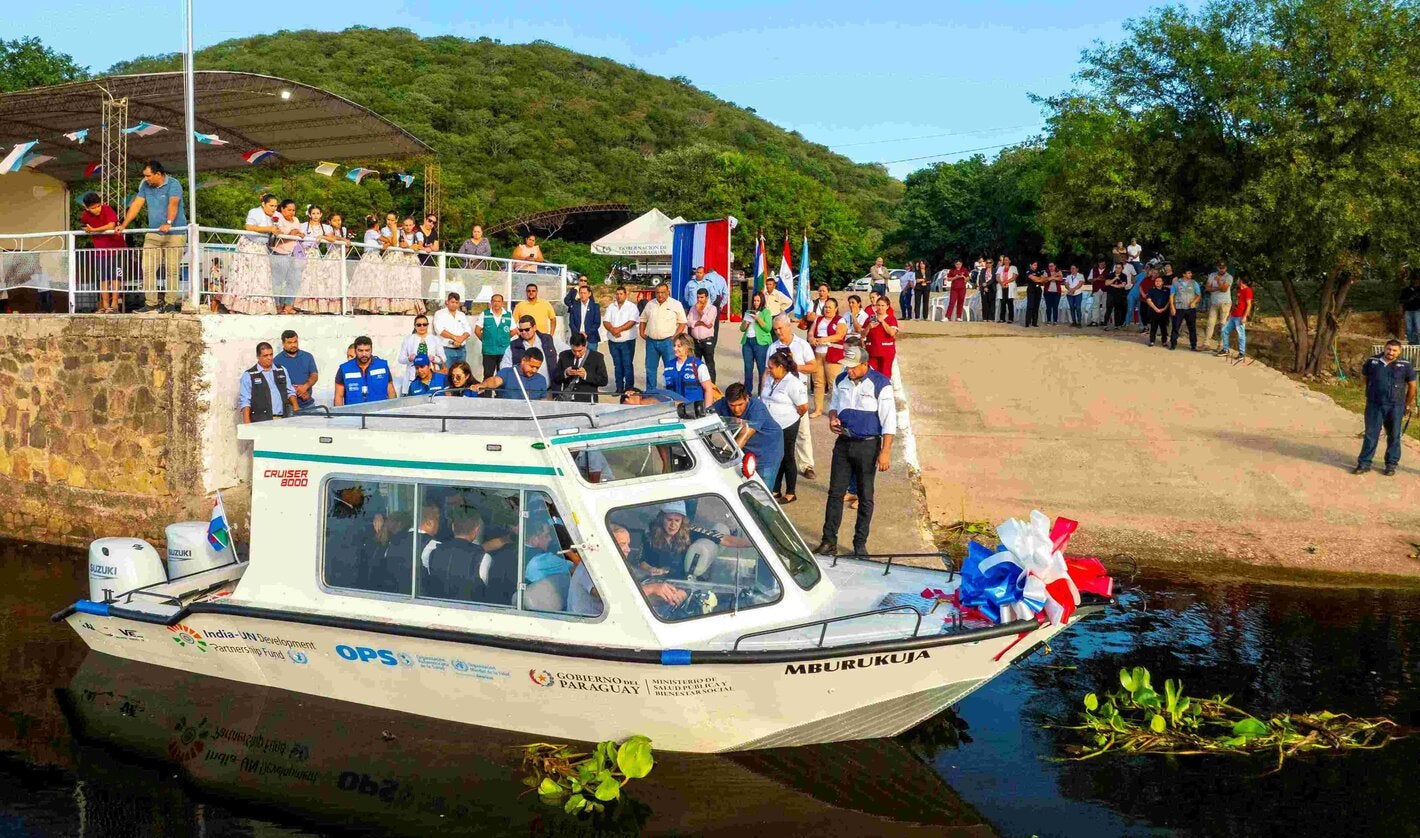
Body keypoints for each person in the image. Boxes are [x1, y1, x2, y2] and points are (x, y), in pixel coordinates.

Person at [816, 345, 896, 557]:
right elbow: (833, 405)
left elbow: (889, 421)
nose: (848, 370)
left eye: (852, 367)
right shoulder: (841, 380)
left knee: (865, 496)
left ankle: (859, 544)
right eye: (847, 366)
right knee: (835, 493)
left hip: (868, 446)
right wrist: (832, 418)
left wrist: (885, 451)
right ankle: (828, 540)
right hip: (843, 443)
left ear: (864, 364)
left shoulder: (881, 384)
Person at [116, 160, 185, 313]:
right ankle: (151, 304)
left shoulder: (174, 184)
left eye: (148, 176)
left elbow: (173, 204)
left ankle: (170, 304)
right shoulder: (145, 186)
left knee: (172, 269)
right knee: (147, 268)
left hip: (174, 234)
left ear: (158, 174)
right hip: (153, 233)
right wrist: (124, 224)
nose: (146, 179)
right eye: (145, 176)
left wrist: (168, 222)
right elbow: (136, 205)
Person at [1354, 340, 1416, 477]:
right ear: (1384, 348)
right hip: (1375, 405)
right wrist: (1368, 393)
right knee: (1371, 435)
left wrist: (1407, 404)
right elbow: (1364, 378)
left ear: (1399, 351)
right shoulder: (1372, 361)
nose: (1391, 353)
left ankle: (1391, 464)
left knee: (1394, 435)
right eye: (1389, 349)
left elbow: (1412, 386)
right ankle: (1364, 463)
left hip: (1396, 406)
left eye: (1394, 350)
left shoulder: (1405, 365)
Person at [769, 313, 819, 479]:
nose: (778, 332)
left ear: (788, 326)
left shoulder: (802, 345)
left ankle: (807, 465)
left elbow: (813, 367)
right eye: (775, 329)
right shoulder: (773, 347)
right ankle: (779, 463)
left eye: (780, 328)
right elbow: (766, 371)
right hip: (779, 394)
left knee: (803, 431)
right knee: (779, 431)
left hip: (797, 391)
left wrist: (795, 367)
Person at [711, 382, 784, 490]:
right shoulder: (722, 404)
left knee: (762, 493)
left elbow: (745, 434)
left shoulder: (757, 407)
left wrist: (728, 459)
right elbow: (705, 416)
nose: (736, 409)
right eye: (732, 405)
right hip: (747, 451)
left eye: (740, 404)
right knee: (745, 490)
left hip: (768, 453)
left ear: (747, 398)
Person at [762, 350, 809, 503]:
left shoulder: (793, 383)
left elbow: (803, 407)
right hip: (772, 426)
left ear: (781, 367)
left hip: (787, 424)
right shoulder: (770, 379)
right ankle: (775, 489)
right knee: (775, 456)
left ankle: (790, 492)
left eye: (771, 367)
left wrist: (791, 417)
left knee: (787, 456)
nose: (769, 369)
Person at [424, 506, 488, 602]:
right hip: (470, 614)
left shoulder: (432, 552)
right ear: (477, 529)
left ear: (453, 527)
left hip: (438, 612)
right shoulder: (483, 558)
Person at [78, 192, 126, 314]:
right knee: (103, 278)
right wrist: (86, 229)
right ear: (86, 208)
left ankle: (114, 305)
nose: (97, 209)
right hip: (100, 251)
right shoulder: (85, 215)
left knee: (116, 276)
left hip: (116, 248)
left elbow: (111, 225)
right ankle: (105, 306)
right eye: (93, 208)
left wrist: (94, 230)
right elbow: (83, 226)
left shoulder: (107, 209)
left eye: (98, 206)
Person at [639, 281, 687, 390]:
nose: (660, 295)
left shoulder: (675, 304)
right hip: (651, 342)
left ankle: (671, 392)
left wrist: (675, 336)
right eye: (658, 292)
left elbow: (682, 322)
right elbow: (643, 319)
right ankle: (651, 391)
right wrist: (642, 332)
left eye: (663, 292)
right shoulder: (650, 304)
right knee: (650, 369)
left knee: (670, 368)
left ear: (668, 292)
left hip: (668, 343)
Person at [239, 342, 298, 423]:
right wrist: (247, 425)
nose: (269, 358)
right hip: (261, 421)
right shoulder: (249, 375)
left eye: (271, 354)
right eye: (265, 356)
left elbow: (290, 392)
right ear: (258, 357)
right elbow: (245, 401)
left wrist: (296, 411)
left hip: (283, 419)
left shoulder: (281, 370)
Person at [808, 298, 847, 418]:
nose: (827, 309)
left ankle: (838, 410)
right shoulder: (818, 319)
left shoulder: (840, 320)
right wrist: (812, 339)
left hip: (833, 354)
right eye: (825, 307)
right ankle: (818, 409)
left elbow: (839, 335)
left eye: (830, 307)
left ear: (836, 308)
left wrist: (823, 340)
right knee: (818, 382)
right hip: (818, 354)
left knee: (833, 384)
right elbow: (810, 333)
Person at [499, 315, 563, 389]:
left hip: (549, 391)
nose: (523, 332)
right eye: (521, 330)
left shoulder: (549, 340)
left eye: (526, 329)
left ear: (534, 327)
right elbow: (504, 368)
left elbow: (568, 352)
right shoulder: (513, 346)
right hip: (523, 392)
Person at [334, 336, 396, 406]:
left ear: (371, 350)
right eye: (360, 350)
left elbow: (391, 391)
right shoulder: (344, 369)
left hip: (379, 412)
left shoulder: (382, 366)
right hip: (354, 413)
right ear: (355, 350)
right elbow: (338, 396)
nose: (364, 354)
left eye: (367, 350)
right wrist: (339, 416)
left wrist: (393, 411)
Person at [268, 199, 305, 315]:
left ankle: (288, 305)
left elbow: (299, 233)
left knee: (294, 280)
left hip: (292, 254)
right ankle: (278, 305)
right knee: (278, 281)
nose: (292, 212)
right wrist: (291, 234)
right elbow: (277, 235)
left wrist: (300, 234)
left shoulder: (296, 220)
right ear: (282, 209)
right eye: (289, 210)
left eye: (294, 210)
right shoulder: (277, 217)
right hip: (279, 253)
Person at [602, 285, 640, 392]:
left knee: (627, 365)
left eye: (621, 294)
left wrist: (618, 329)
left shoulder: (631, 306)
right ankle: (619, 387)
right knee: (617, 365)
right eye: (617, 294)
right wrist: (612, 330)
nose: (619, 296)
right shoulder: (611, 306)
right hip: (613, 341)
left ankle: (629, 388)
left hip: (627, 341)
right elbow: (606, 321)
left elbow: (632, 322)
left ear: (625, 295)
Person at [662, 333, 714, 409]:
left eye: (679, 346)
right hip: (673, 410)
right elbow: (665, 391)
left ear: (687, 347)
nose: (675, 349)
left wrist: (707, 410)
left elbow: (708, 389)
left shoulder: (698, 366)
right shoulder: (669, 365)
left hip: (694, 411)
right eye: (674, 346)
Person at [396, 314, 446, 392]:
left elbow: (443, 358)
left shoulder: (435, 339)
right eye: (419, 325)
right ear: (415, 326)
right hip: (412, 376)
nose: (422, 327)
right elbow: (400, 359)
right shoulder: (408, 339)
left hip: (431, 376)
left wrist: (434, 358)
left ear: (427, 325)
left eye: (424, 324)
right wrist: (409, 358)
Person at [477, 348, 550, 400]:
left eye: (537, 368)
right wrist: (483, 385)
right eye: (532, 366)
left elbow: (542, 402)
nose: (534, 370)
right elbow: (495, 381)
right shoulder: (507, 373)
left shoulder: (541, 380)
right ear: (523, 361)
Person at [272, 329, 318, 410]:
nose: (293, 345)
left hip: (308, 403)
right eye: (289, 343)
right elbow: (276, 383)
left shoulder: (307, 356)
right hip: (288, 407)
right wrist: (296, 390)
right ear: (283, 343)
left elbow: (314, 375)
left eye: (295, 342)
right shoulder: (277, 361)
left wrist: (305, 387)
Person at [555, 333, 608, 402]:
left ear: (585, 346)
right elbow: (556, 378)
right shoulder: (564, 355)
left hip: (587, 400)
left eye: (580, 351)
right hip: (567, 400)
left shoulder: (597, 358)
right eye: (574, 351)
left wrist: (586, 375)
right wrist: (566, 373)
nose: (577, 354)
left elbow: (604, 381)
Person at [740, 290, 774, 394]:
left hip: (761, 343)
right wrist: (746, 322)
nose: (755, 303)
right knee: (748, 368)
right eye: (754, 301)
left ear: (762, 301)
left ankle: (761, 392)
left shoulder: (766, 312)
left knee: (761, 368)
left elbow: (768, 328)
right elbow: (742, 329)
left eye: (758, 301)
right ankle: (747, 392)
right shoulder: (748, 312)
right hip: (747, 342)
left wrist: (758, 319)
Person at [474, 293, 514, 379]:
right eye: (494, 301)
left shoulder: (508, 315)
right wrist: (485, 340)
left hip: (503, 351)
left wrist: (504, 338)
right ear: (491, 302)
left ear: (502, 303)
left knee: (503, 376)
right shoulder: (485, 314)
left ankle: (501, 393)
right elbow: (477, 330)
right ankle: (487, 393)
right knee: (488, 375)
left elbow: (514, 330)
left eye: (499, 301)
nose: (496, 303)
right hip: (489, 351)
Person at [433, 292, 473, 370]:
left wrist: (461, 339)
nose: (454, 304)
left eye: (456, 302)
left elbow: (468, 330)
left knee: (461, 374)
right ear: (447, 302)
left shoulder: (461, 315)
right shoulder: (440, 314)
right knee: (446, 375)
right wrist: (455, 338)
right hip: (446, 350)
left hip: (461, 349)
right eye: (452, 302)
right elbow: (439, 330)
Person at [1218, 274, 1253, 359]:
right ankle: (1225, 349)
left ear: (1241, 281)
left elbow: (1249, 305)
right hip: (1234, 315)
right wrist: (1230, 313)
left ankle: (1241, 353)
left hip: (1240, 316)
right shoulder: (1239, 290)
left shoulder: (1248, 290)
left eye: (1238, 279)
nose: (1236, 281)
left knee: (1241, 334)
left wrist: (1245, 316)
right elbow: (1237, 303)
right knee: (1224, 330)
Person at [686, 288, 718, 380]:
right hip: (695, 341)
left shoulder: (712, 308)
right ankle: (696, 385)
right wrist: (698, 322)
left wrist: (700, 311)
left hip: (707, 340)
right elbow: (688, 322)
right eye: (698, 297)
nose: (699, 300)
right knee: (694, 365)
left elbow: (708, 323)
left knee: (709, 365)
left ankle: (712, 388)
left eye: (702, 297)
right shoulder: (693, 308)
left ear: (707, 298)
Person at [864, 296, 899, 377]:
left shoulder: (891, 318)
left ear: (887, 306)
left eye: (882, 305)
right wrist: (868, 327)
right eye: (878, 305)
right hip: (872, 351)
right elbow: (862, 334)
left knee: (885, 375)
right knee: (871, 374)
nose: (880, 307)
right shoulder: (871, 318)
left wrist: (882, 322)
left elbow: (892, 333)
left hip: (886, 352)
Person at [1203, 261, 1234, 348]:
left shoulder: (1229, 277)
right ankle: (1206, 343)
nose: (1221, 269)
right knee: (1210, 323)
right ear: (1217, 267)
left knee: (1223, 324)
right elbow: (1207, 288)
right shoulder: (1212, 275)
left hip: (1225, 303)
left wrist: (1219, 281)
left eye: (1223, 268)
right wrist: (1219, 287)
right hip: (1214, 302)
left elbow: (1224, 289)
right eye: (1220, 267)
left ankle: (1221, 345)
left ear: (1226, 268)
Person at [1169, 269, 1201, 351]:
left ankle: (1193, 345)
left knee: (1192, 327)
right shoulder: (1176, 284)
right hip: (1179, 308)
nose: (1190, 274)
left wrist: (1194, 302)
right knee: (1176, 326)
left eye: (1191, 273)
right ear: (1184, 274)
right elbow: (1171, 295)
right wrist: (1172, 307)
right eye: (1188, 273)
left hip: (1190, 309)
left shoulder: (1194, 283)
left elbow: (1198, 295)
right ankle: (1173, 344)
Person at [567, 283, 603, 354]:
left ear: (589, 294)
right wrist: (578, 334)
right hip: (577, 338)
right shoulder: (574, 306)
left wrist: (586, 333)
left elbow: (597, 323)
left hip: (591, 338)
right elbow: (571, 323)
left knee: (592, 360)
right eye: (581, 293)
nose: (582, 295)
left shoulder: (595, 306)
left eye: (584, 293)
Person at [1144, 275, 1172, 347]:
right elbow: (1148, 300)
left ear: (1162, 282)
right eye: (1156, 281)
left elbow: (1169, 300)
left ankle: (1164, 341)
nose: (1157, 282)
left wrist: (1164, 308)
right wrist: (1156, 309)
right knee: (1153, 327)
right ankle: (1152, 341)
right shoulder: (1151, 290)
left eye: (1159, 281)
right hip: (1154, 311)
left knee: (1164, 328)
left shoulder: (1167, 290)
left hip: (1164, 312)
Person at [1104, 265, 1130, 330]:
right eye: (1116, 267)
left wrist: (1112, 284)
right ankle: (1105, 324)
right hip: (1110, 294)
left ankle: (1117, 325)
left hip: (1119, 295)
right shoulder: (1110, 274)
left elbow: (1122, 286)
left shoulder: (1124, 276)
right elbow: (1106, 283)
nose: (1117, 269)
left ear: (1122, 269)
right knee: (1109, 309)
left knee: (1118, 310)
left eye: (1119, 268)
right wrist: (1115, 278)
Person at [1087, 260, 1111, 326]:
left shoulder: (1108, 271)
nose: (1102, 265)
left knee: (1104, 306)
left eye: (1104, 264)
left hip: (1105, 289)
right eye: (1101, 263)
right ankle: (1094, 321)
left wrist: (1104, 279)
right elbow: (1089, 279)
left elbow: (1110, 280)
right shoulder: (1093, 270)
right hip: (1096, 289)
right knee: (1095, 305)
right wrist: (1096, 279)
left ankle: (1103, 320)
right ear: (1099, 263)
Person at [1022, 261, 1045, 328]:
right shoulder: (1028, 272)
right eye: (1034, 265)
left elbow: (1044, 279)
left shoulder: (1038, 272)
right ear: (1030, 265)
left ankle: (1034, 322)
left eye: (1036, 265)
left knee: (1036, 306)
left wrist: (1040, 279)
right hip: (1031, 290)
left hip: (1038, 290)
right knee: (1030, 306)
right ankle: (1027, 322)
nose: (1035, 266)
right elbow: (1035, 279)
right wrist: (1039, 279)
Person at [996, 257, 1018, 323]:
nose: (1005, 261)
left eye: (1007, 260)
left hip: (1010, 287)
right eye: (1004, 260)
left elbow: (1014, 277)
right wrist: (1001, 283)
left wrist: (1006, 282)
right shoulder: (1000, 268)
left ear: (1010, 261)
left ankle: (1010, 319)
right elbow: (997, 277)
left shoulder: (1013, 267)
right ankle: (1002, 318)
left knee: (1010, 303)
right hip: (1002, 287)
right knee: (1002, 303)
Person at [1402, 269, 1420, 346]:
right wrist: (1402, 311)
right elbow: (1401, 301)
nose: (1416, 281)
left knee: (1418, 327)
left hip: (1418, 310)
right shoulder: (1407, 289)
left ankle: (1418, 342)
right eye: (1415, 279)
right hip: (1408, 310)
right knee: (1409, 328)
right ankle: (1411, 343)